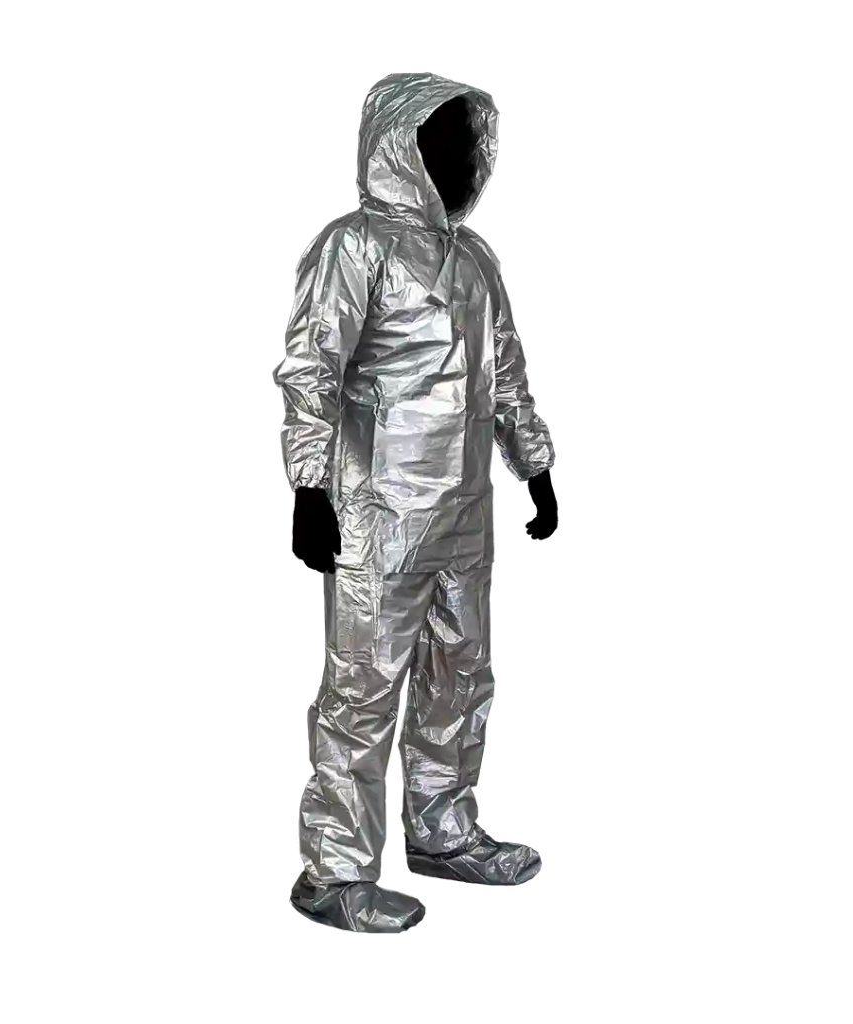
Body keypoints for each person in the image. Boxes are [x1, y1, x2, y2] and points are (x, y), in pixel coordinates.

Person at [273, 72, 558, 933]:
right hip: (376, 516)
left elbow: (504, 369)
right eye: (445, 143)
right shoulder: (353, 247)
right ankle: (334, 872)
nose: (465, 160)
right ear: (402, 150)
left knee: (459, 677)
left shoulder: (474, 259)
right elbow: (313, 370)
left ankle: (443, 830)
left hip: (464, 513)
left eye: (469, 145)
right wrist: (309, 487)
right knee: (362, 690)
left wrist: (535, 464)